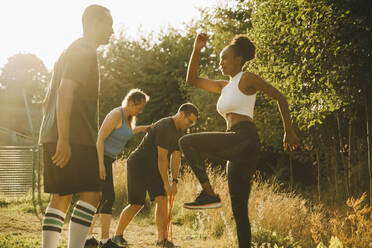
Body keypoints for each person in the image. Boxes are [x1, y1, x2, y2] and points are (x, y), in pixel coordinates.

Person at [179, 33, 300, 248]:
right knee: (239, 210)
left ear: (239, 60)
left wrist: (288, 131)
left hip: (245, 138)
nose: (221, 62)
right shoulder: (224, 86)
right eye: (219, 59)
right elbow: (192, 80)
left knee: (187, 142)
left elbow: (280, 97)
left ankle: (208, 194)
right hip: (236, 143)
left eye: (225, 58)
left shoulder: (247, 78)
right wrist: (197, 49)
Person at [38, 5, 113, 248]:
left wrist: (55, 135)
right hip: (74, 137)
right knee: (91, 193)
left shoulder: (66, 52)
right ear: (94, 23)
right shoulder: (83, 50)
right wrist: (64, 138)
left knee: (61, 196)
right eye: (108, 24)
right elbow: (64, 91)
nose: (112, 30)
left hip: (57, 134)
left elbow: (47, 100)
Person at [110, 103, 199, 248]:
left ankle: (161, 240)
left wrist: (174, 181)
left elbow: (175, 157)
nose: (190, 125)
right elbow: (162, 158)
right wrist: (166, 183)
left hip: (155, 167)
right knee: (136, 204)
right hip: (139, 164)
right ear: (182, 114)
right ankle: (117, 236)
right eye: (190, 121)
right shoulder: (165, 126)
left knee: (162, 199)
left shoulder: (179, 132)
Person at [84, 89, 151, 248]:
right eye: (139, 107)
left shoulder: (129, 118)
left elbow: (126, 133)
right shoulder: (116, 115)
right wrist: (100, 165)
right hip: (99, 159)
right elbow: (100, 139)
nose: (141, 110)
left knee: (100, 199)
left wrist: (143, 128)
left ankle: (88, 238)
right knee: (107, 197)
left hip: (107, 160)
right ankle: (104, 241)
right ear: (131, 102)